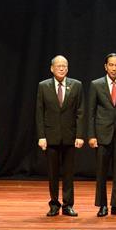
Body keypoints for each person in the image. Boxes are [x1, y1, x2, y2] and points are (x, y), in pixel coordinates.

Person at [36, 55, 84, 217]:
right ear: (52, 68)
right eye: (58, 66)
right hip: (51, 136)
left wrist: (80, 135)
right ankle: (54, 204)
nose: (62, 68)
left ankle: (68, 205)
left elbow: (80, 112)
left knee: (69, 174)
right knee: (53, 173)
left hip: (70, 136)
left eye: (64, 66)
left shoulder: (76, 85)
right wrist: (41, 136)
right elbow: (39, 113)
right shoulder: (43, 86)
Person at [87, 53, 116, 217]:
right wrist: (91, 135)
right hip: (102, 134)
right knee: (101, 172)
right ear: (105, 66)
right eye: (111, 65)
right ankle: (102, 205)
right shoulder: (96, 84)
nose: (114, 68)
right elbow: (91, 112)